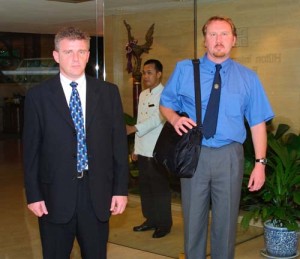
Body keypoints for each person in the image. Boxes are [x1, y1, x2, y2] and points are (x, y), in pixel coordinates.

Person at [159, 16, 274, 259]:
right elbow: (166, 103)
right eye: (212, 34)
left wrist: (260, 164)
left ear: (233, 40)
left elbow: (257, 123)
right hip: (194, 154)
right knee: (193, 221)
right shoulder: (184, 69)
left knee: (226, 221)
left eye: (224, 34)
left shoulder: (248, 78)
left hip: (229, 155)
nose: (218, 40)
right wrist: (174, 119)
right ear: (204, 41)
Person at [22, 26, 129, 259]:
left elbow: (119, 145)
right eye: (68, 52)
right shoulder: (38, 96)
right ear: (56, 55)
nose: (75, 58)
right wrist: (33, 194)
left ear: (89, 55)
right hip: (53, 196)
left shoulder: (108, 93)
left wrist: (120, 190)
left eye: (81, 51)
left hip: (97, 194)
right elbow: (30, 151)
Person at [126, 59, 172, 238]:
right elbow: (140, 120)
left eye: (149, 72)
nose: (146, 76)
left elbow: (158, 119)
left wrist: (133, 129)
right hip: (143, 149)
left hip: (158, 150)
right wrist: (135, 149)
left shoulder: (166, 94)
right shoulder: (144, 94)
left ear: (159, 74)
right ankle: (151, 220)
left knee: (160, 189)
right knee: (146, 188)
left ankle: (164, 224)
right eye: (144, 73)